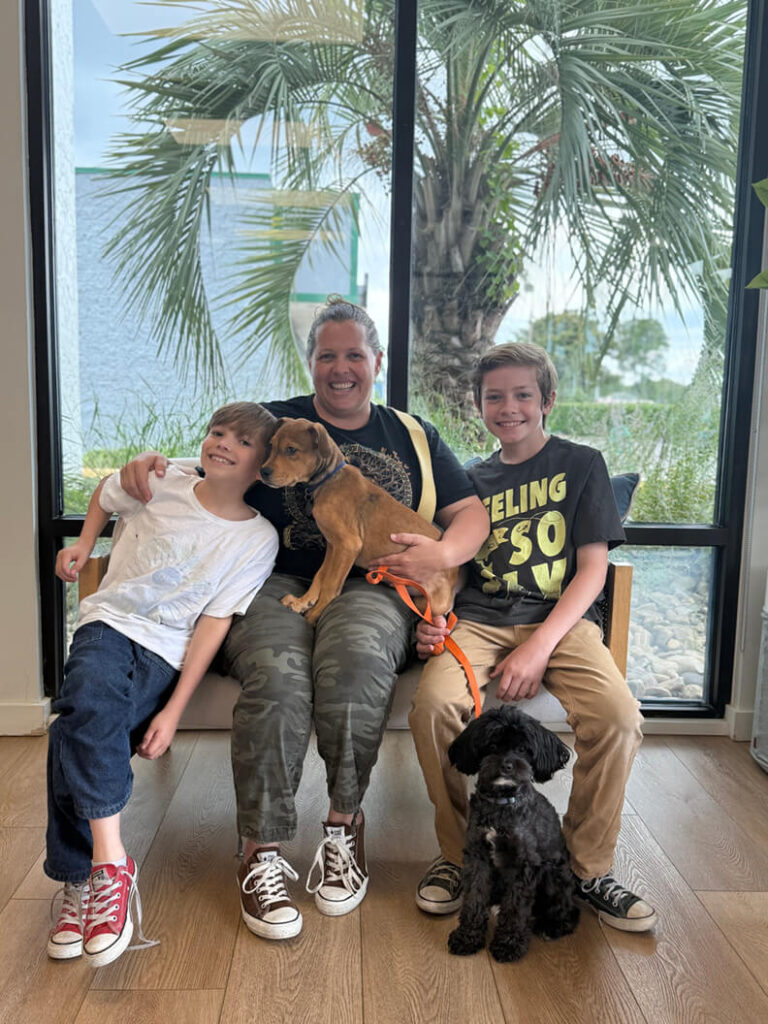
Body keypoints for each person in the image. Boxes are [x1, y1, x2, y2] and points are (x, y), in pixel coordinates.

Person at [119, 297, 490, 942]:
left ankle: (343, 828)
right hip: (268, 579)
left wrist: (442, 555)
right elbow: (210, 464)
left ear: (377, 362)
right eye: (327, 355)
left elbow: (470, 514)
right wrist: (148, 465)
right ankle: (260, 850)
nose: (340, 368)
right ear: (310, 362)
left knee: (356, 665)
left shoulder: (414, 433)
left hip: (375, 584)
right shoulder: (276, 422)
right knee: (278, 676)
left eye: (354, 355)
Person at [409, 342, 657, 933]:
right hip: (479, 621)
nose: (508, 407)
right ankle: (461, 856)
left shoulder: (582, 464)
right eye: (494, 396)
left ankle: (585, 868)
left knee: (619, 719)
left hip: (562, 622)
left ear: (547, 400)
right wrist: (435, 616)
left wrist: (539, 646)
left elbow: (592, 570)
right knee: (433, 708)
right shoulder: (470, 481)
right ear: (478, 405)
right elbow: (456, 568)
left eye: (523, 394)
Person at [46, 402, 279, 967]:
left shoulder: (258, 539)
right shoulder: (163, 479)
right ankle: (110, 864)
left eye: (241, 441)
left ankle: (78, 879)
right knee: (88, 704)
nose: (222, 443)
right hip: (107, 624)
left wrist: (174, 711)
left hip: (165, 652)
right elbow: (106, 493)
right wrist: (84, 545)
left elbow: (214, 622)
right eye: (217, 432)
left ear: (263, 466)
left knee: (76, 730)